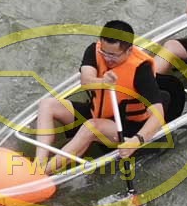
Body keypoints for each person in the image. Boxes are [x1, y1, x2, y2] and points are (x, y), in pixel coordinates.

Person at [33, 20, 169, 173]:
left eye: (113, 55)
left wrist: (136, 142)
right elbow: (86, 81)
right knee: (47, 104)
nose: (107, 58)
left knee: (91, 127)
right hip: (96, 113)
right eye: (104, 52)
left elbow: (158, 115)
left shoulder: (141, 70)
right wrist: (103, 82)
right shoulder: (94, 50)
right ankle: (39, 163)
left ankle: (43, 173)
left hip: (125, 127)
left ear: (129, 51)